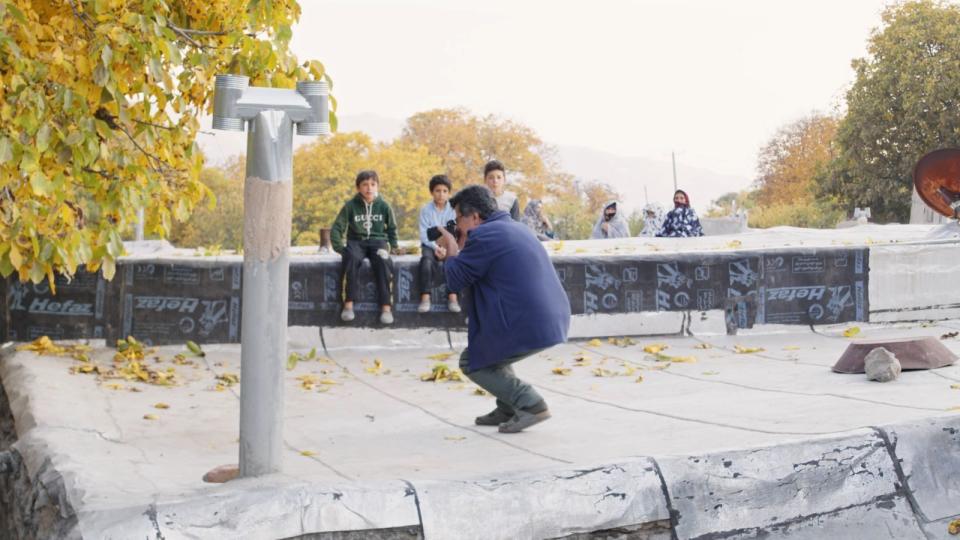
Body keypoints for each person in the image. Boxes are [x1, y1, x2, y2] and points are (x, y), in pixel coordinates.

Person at [434, 185, 570, 433]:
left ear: (474, 216)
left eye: (458, 220)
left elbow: (455, 280)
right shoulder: (515, 228)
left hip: (528, 322)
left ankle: (530, 404)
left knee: (472, 361)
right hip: (550, 317)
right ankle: (508, 406)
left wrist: (452, 249)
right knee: (492, 352)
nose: (458, 226)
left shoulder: (483, 236)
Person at [330, 170, 398, 325]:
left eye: (373, 184)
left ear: (378, 186)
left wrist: (393, 246)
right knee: (350, 259)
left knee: (383, 261)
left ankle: (386, 307)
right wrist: (340, 248)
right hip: (356, 242)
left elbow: (392, 228)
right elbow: (337, 227)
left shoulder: (384, 206)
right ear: (358, 188)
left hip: (378, 241)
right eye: (365, 185)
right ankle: (348, 305)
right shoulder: (350, 206)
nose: (369, 188)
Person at [417, 174, 461, 313]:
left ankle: (453, 297)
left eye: (445, 191)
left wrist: (446, 250)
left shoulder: (453, 210)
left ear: (449, 193)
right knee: (426, 261)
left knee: (453, 262)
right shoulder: (425, 210)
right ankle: (425, 297)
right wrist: (436, 247)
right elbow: (424, 234)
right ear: (432, 192)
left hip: (448, 244)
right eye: (437, 191)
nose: (441, 194)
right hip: (430, 244)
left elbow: (454, 233)